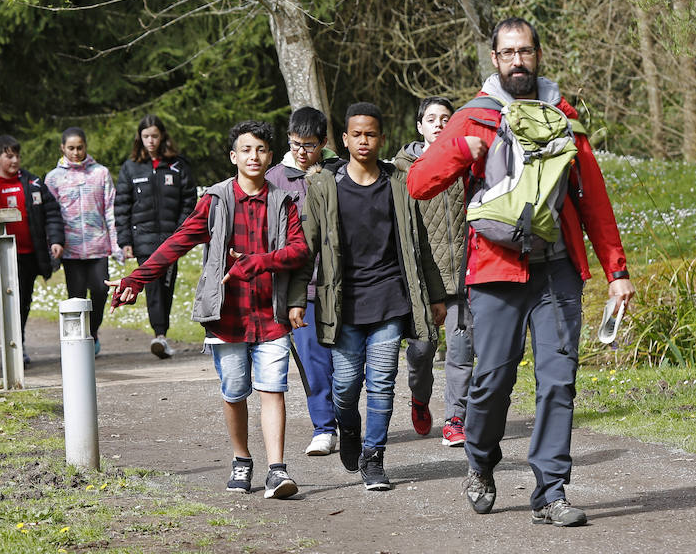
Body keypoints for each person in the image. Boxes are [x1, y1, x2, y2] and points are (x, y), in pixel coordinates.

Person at [407, 18, 636, 526]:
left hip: (557, 272)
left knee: (558, 382)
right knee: (491, 382)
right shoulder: (473, 118)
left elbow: (592, 198)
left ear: (538, 55)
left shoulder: (564, 117)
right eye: (508, 52)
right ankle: (482, 462)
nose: (517, 60)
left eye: (525, 51)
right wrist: (464, 154)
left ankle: (550, 491)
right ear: (494, 59)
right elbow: (418, 183)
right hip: (493, 272)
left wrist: (616, 269)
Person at [107, 120, 309, 499]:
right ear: (233, 156)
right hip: (226, 316)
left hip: (272, 315)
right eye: (246, 150)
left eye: (261, 150)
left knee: (273, 390)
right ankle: (241, 459)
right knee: (235, 391)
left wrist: (258, 262)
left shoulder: (284, 202)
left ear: (270, 157)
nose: (254, 156)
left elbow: (300, 250)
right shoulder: (215, 201)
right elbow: (177, 242)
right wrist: (137, 279)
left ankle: (277, 470)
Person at [288, 102, 447, 491]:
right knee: (345, 386)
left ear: (381, 138)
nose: (364, 141)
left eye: (371, 134)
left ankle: (374, 458)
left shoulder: (398, 183)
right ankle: (350, 428)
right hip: (342, 305)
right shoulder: (325, 186)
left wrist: (436, 294)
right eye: (356, 134)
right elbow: (307, 245)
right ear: (344, 140)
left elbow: (419, 244)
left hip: (390, 298)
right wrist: (295, 297)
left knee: (381, 382)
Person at [393, 97, 474, 445]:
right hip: (424, 281)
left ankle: (455, 418)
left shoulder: (468, 166)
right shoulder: (404, 169)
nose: (439, 124)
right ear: (420, 126)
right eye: (432, 118)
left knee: (461, 351)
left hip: (463, 275)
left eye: (446, 118)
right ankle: (420, 397)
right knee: (422, 352)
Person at [265, 106, 340, 457]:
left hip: (343, 284)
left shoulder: (341, 173)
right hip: (301, 287)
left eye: (309, 145)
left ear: (323, 143)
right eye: (296, 144)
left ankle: (347, 420)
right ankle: (324, 427)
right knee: (313, 359)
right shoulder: (275, 179)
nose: (302, 152)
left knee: (348, 362)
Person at [114, 115, 196, 359]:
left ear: (162, 137)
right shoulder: (130, 167)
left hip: (171, 240)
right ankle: (159, 335)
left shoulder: (178, 165)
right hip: (143, 241)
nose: (150, 141)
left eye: (155, 136)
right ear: (139, 138)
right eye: (146, 136)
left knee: (166, 287)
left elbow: (189, 200)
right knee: (151, 287)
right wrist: (125, 241)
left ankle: (162, 334)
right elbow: (122, 206)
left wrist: (182, 232)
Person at [0, 134, 65, 364]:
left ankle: (18, 344)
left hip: (29, 255)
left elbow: (52, 213)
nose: (14, 161)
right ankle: (9, 346)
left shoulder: (34, 183)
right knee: (9, 301)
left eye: (17, 156)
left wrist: (56, 241)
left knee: (23, 301)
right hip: (2, 256)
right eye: (9, 156)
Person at [45, 127, 122, 357]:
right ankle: (80, 341)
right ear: (62, 148)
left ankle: (93, 331)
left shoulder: (100, 173)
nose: (76, 152)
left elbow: (111, 209)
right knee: (77, 296)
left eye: (80, 147)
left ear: (86, 146)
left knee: (100, 291)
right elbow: (50, 215)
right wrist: (52, 245)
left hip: (98, 246)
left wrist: (116, 244)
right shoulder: (53, 178)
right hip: (71, 249)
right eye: (71, 148)